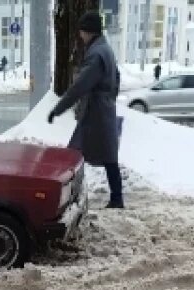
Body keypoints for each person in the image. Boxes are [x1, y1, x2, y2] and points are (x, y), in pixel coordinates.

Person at [48, 12, 124, 209]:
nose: (80, 36)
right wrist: (109, 98)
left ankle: (68, 194)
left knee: (74, 153)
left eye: (81, 31)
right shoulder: (105, 49)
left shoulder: (96, 54)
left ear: (87, 31)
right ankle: (116, 197)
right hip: (102, 109)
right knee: (107, 155)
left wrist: (58, 108)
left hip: (95, 113)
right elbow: (117, 76)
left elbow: (79, 86)